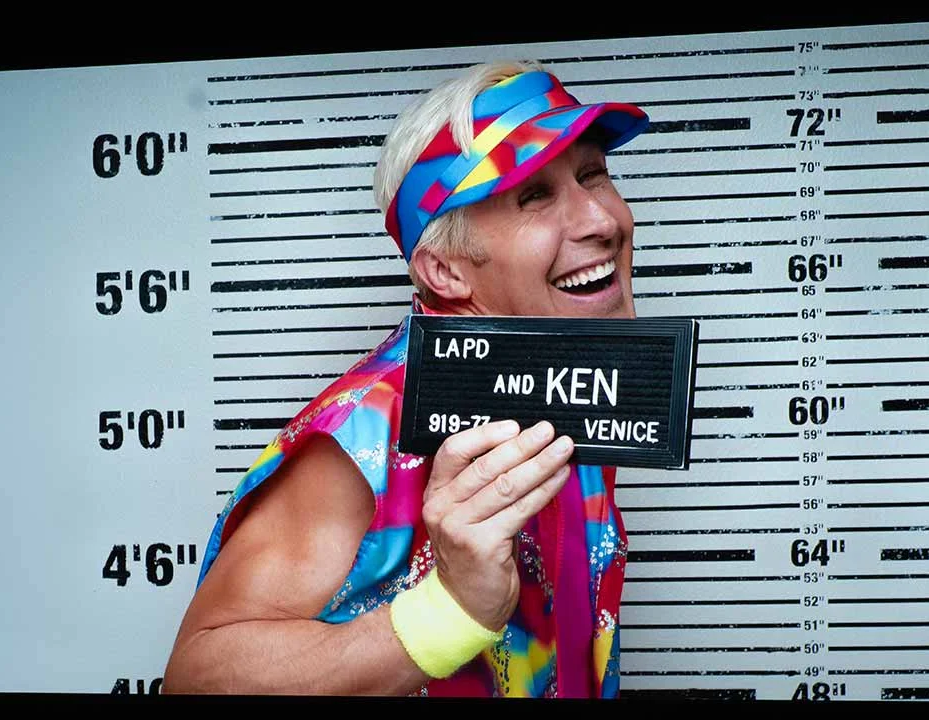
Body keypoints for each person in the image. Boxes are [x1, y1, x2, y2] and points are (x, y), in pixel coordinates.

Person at [163, 60, 649, 698]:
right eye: (534, 196)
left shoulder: (573, 374)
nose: (602, 221)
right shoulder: (369, 429)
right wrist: (449, 612)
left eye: (592, 175)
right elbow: (196, 677)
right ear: (446, 271)